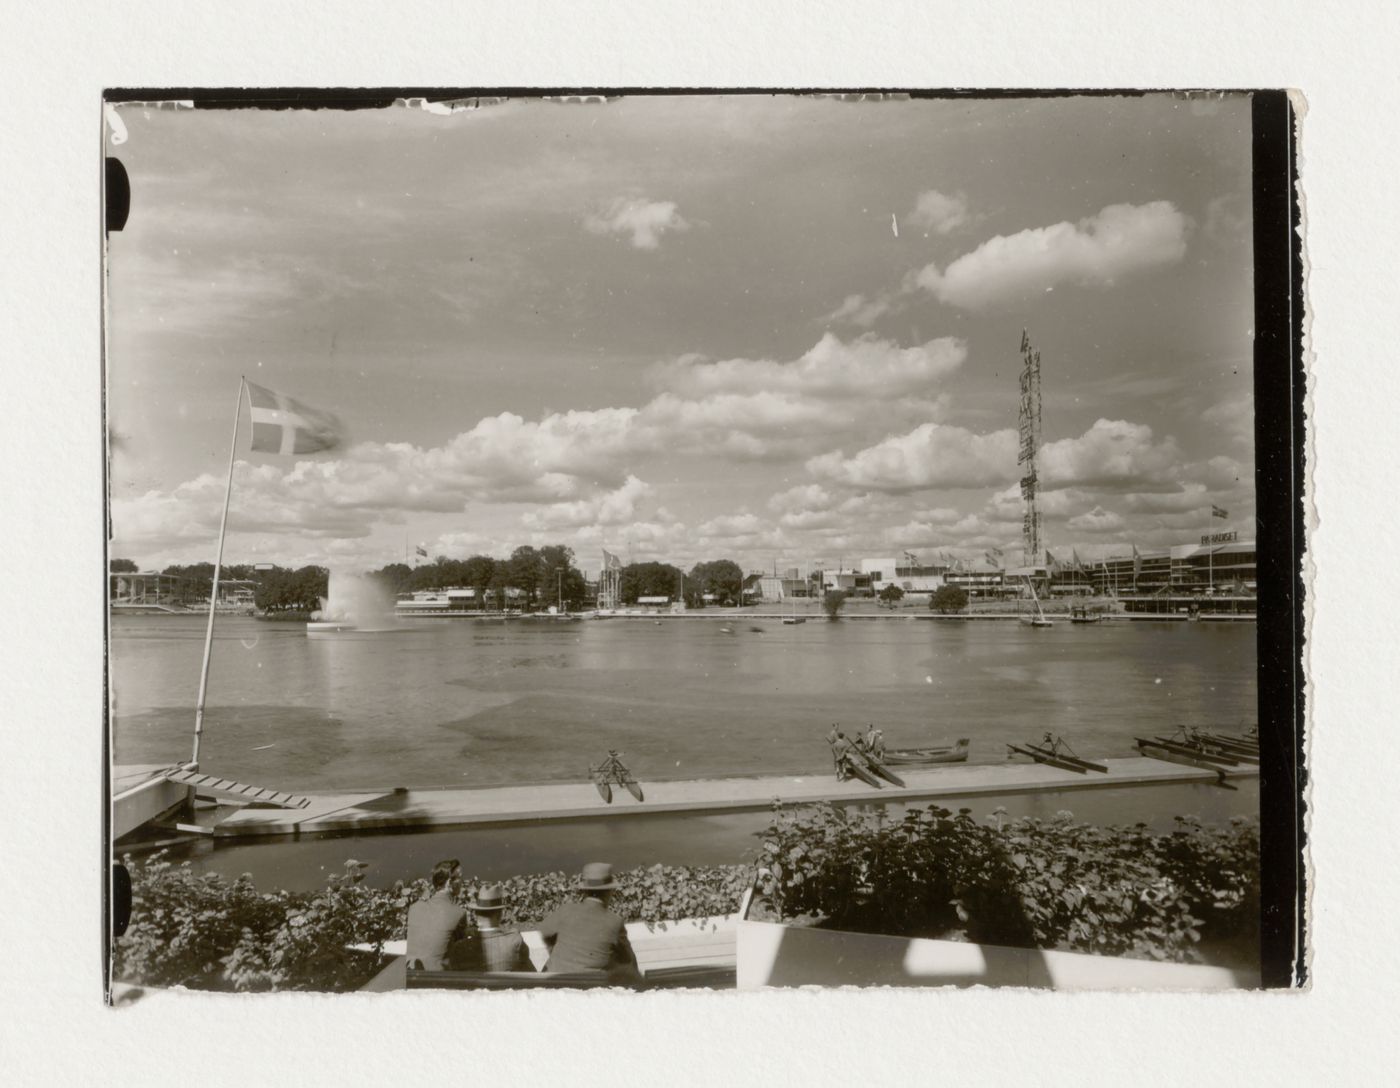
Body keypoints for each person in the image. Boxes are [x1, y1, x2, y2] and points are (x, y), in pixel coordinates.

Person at [538, 863, 641, 981]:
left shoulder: (566, 910)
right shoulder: (614, 921)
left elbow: (544, 931)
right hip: (591, 986)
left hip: (556, 983)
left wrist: (554, 952)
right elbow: (629, 961)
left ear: (584, 891)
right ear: (609, 892)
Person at [447, 884, 534, 972]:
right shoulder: (515, 942)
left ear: (476, 915)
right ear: (500, 915)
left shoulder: (460, 948)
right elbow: (532, 977)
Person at [406, 859, 469, 971]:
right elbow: (460, 951)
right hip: (438, 978)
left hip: (410, 975)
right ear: (449, 882)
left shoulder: (414, 908)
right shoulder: (459, 913)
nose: (462, 882)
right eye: (460, 877)